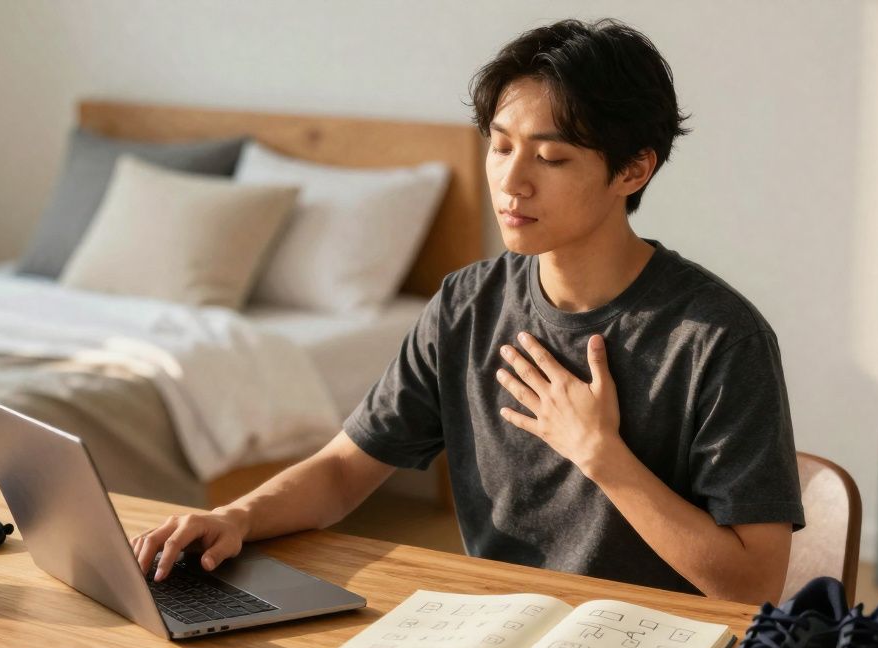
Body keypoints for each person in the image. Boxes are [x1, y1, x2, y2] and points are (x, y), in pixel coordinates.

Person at [131, 18, 803, 605]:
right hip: (492, 641)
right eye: (501, 144)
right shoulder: (467, 304)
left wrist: (602, 454)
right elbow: (342, 472)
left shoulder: (719, 339)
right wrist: (236, 516)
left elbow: (751, 584)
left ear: (633, 171)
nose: (511, 182)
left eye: (550, 157)